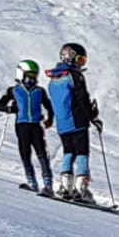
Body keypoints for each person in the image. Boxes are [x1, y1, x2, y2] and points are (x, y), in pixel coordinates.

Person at [45, 41, 101, 203]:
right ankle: (80, 189)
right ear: (71, 58)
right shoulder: (74, 76)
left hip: (63, 124)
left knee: (68, 152)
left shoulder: (54, 78)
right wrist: (92, 116)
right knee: (82, 152)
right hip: (78, 121)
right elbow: (81, 98)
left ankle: (65, 186)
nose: (81, 64)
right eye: (80, 60)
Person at [0, 59, 55, 195]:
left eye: (34, 76)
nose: (31, 79)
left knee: (41, 154)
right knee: (25, 154)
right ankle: (32, 182)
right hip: (22, 126)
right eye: (29, 76)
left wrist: (50, 119)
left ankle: (48, 185)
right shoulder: (13, 90)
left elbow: (49, 106)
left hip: (36, 126)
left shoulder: (40, 91)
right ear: (21, 74)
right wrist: (10, 108)